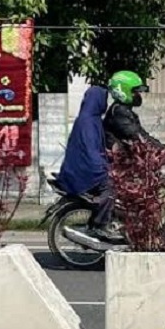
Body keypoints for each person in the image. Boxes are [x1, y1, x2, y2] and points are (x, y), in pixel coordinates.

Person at [55, 85, 118, 242]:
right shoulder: (88, 122)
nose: (105, 104)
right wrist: (106, 169)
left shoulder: (92, 119)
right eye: (103, 100)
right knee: (111, 186)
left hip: (83, 167)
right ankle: (100, 224)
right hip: (83, 171)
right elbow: (91, 151)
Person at [103, 70, 165, 151]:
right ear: (122, 91)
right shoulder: (119, 112)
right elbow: (138, 137)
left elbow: (142, 134)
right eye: (135, 92)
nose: (138, 95)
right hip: (120, 160)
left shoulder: (124, 110)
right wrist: (164, 151)